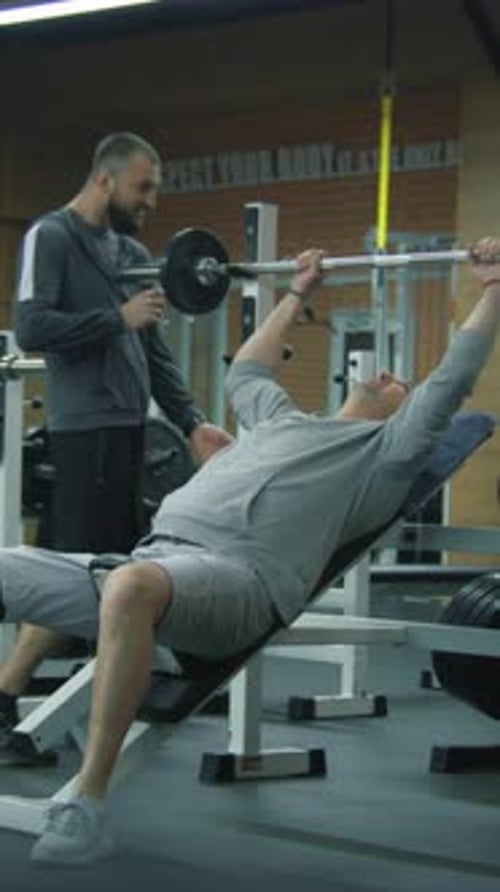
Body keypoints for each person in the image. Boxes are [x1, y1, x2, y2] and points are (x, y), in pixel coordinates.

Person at [0, 236, 499, 866]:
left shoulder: (384, 457)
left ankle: (87, 805)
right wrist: (298, 291)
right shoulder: (282, 420)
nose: (387, 375)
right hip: (149, 558)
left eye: (399, 382)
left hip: (237, 584)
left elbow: (452, 378)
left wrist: (491, 290)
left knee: (132, 588)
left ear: (401, 413)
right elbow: (247, 373)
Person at [0, 131, 231, 767]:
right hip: (85, 431)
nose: (151, 200)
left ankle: (76, 697)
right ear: (105, 179)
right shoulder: (51, 236)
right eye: (144, 187)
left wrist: (190, 422)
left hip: (133, 431)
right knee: (91, 570)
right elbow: (32, 325)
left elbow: (152, 348)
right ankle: (8, 693)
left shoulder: (129, 250)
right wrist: (115, 318)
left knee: (112, 567)